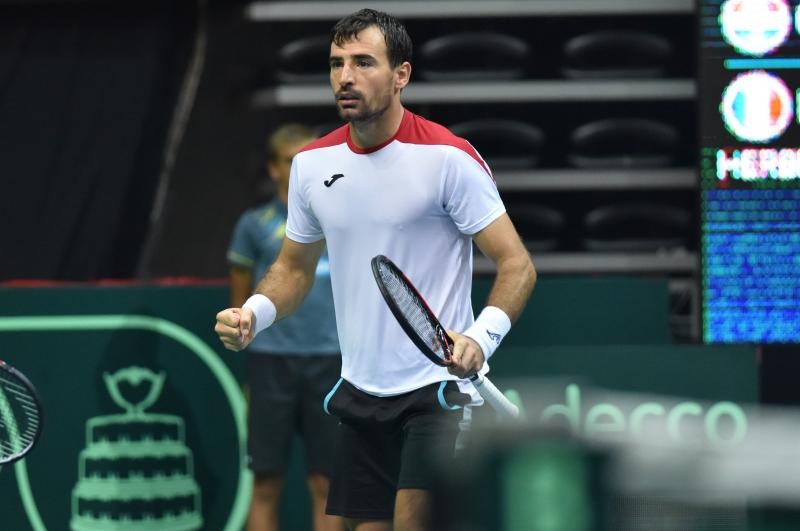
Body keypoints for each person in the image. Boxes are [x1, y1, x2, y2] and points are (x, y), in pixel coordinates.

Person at [216, 9, 536, 531]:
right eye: (337, 64)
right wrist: (255, 312)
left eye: (364, 62)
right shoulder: (311, 166)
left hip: (437, 390)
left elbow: (517, 263)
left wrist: (481, 337)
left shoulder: (449, 158)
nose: (346, 76)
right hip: (361, 392)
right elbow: (293, 270)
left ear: (401, 75)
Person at [227, 124, 344, 531]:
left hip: (332, 363)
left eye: (307, 159)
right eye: (291, 160)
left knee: (327, 484)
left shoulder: (342, 218)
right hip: (270, 363)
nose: (300, 168)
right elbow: (240, 303)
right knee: (265, 483)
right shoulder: (253, 225)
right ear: (273, 168)